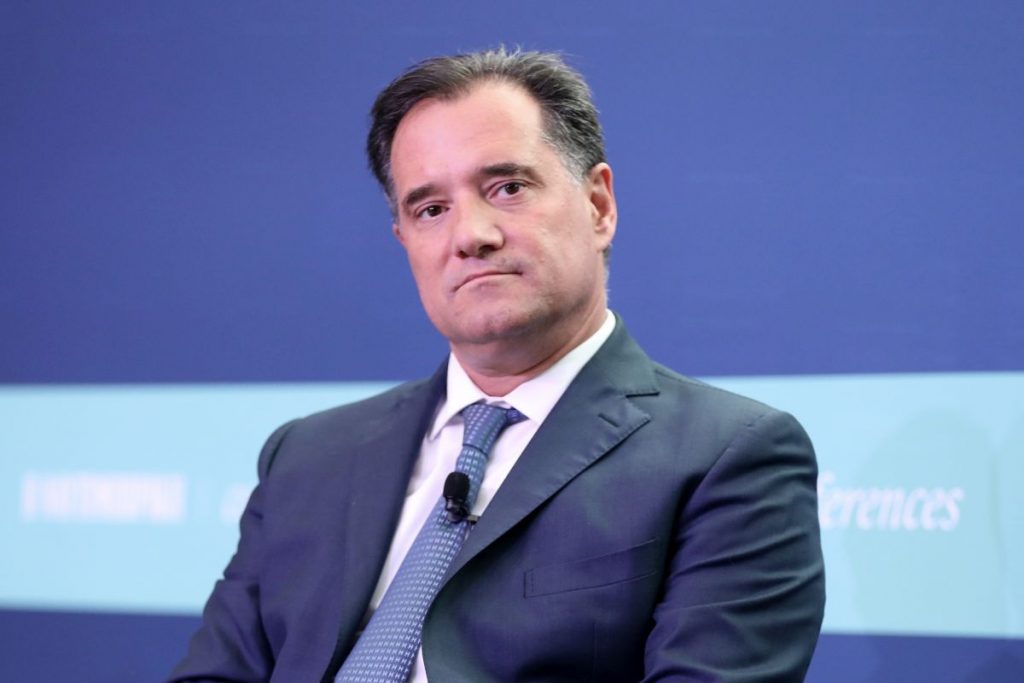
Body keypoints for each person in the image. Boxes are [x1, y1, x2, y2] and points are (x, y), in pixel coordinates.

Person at [170, 47, 825, 682]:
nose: (470, 235)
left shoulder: (724, 457)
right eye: (431, 209)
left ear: (598, 205)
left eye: (508, 188)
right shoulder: (306, 456)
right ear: (404, 240)